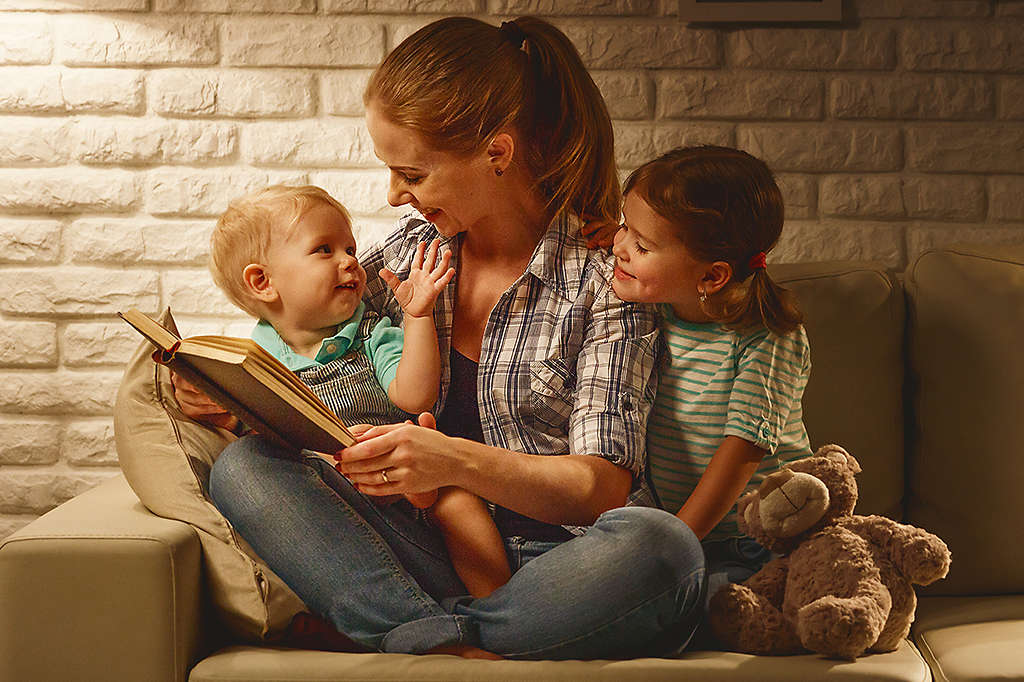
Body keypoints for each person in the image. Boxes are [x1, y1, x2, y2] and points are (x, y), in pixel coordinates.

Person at [178, 16, 706, 660]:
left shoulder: (604, 281)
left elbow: (600, 489)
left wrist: (450, 460)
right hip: (423, 549)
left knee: (663, 549)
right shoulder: (405, 259)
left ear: (497, 153)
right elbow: (305, 338)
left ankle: (431, 637)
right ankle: (451, 638)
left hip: (562, 562)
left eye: (413, 174)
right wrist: (230, 396)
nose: (395, 195)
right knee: (246, 470)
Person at [205, 184, 511, 599]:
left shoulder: (369, 333)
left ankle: (498, 609)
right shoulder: (257, 362)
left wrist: (417, 315)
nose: (350, 260)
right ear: (263, 282)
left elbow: (414, 395)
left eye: (349, 247)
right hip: (338, 500)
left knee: (458, 501)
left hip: (408, 484)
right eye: (324, 250)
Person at [609, 145, 813, 602]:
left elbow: (739, 454)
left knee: (711, 603)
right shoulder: (651, 309)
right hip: (681, 530)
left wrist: (674, 543)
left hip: (755, 539)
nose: (618, 246)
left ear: (713, 276)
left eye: (641, 245)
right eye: (624, 225)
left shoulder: (766, 336)